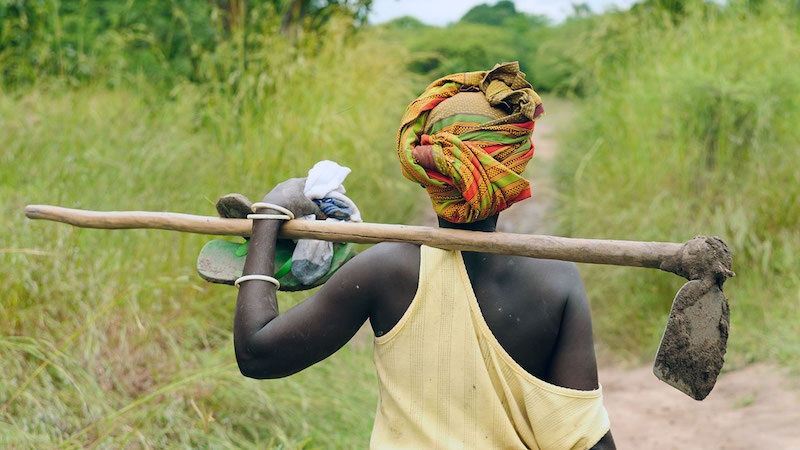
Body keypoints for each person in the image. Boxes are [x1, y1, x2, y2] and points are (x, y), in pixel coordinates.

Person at [231, 62, 615, 449]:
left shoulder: (384, 270)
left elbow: (257, 355)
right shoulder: (556, 279)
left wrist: (269, 215)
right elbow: (590, 442)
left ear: (424, 169)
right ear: (513, 169)